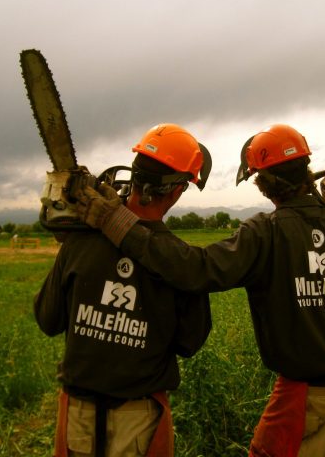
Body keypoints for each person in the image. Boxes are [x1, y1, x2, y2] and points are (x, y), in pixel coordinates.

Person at [76, 123, 325, 456]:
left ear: (263, 184)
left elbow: (196, 270)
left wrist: (115, 222)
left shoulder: (265, 233)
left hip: (302, 400)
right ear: (307, 171)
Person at [34, 123, 213, 457]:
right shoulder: (179, 261)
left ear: (134, 173)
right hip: (139, 418)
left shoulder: (80, 239)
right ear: (177, 191)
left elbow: (48, 318)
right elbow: (191, 341)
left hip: (78, 414)